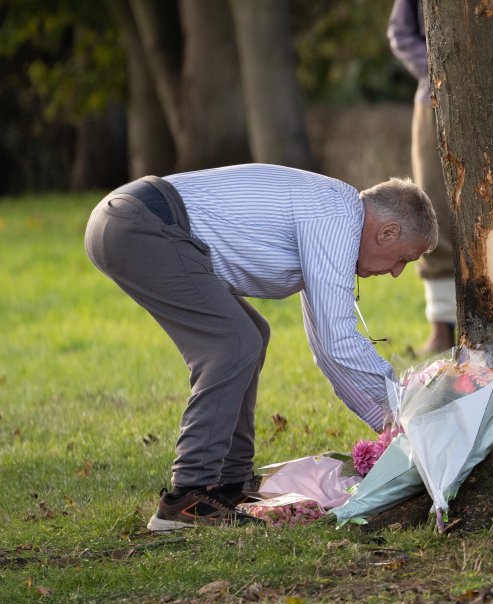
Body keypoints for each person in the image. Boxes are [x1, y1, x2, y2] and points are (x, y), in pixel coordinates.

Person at [84, 164, 438, 532]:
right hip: (140, 223)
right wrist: (407, 414)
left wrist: (391, 425)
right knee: (234, 343)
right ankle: (189, 496)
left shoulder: (333, 215)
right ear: (388, 232)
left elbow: (325, 350)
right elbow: (338, 340)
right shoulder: (337, 215)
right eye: (404, 258)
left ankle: (228, 484)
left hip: (131, 221)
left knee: (251, 333)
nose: (398, 272)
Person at [388, 0, 456, 354]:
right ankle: (442, 328)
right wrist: (435, 69)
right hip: (433, 100)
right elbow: (400, 32)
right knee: (436, 213)